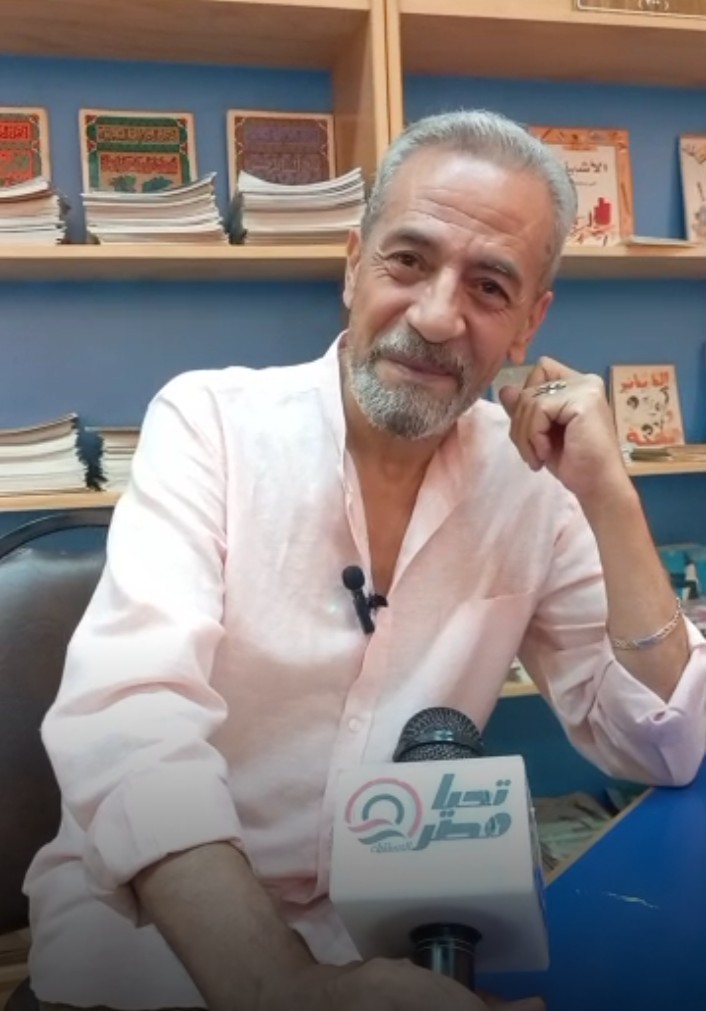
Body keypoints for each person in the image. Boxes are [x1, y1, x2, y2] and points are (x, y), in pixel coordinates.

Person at [26, 109, 706, 1011]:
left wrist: (611, 497)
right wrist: (282, 986)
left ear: (529, 322)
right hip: (157, 944)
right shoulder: (209, 424)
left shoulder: (532, 484)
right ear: (354, 264)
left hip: (388, 938)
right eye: (409, 260)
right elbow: (134, 726)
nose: (437, 316)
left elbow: (663, 743)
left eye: (489, 287)